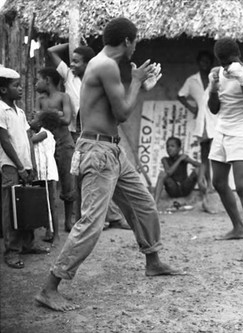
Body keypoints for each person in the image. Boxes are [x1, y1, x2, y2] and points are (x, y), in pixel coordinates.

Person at [35, 17, 184, 312]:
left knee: (143, 205)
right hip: (98, 152)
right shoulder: (105, 65)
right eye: (136, 41)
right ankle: (49, 288)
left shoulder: (107, 67)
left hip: (112, 151)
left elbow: (115, 113)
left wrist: (138, 84)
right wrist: (138, 83)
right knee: (91, 224)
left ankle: (152, 261)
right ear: (128, 41)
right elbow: (125, 113)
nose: (136, 46)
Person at [48, 41, 127, 230]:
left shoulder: (96, 78)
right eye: (71, 61)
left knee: (102, 177)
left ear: (88, 63)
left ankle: (110, 217)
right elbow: (51, 51)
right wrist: (73, 41)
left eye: (76, 61)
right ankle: (86, 219)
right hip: (77, 134)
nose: (72, 64)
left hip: (96, 134)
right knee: (81, 178)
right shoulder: (68, 76)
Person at [207, 37, 243, 261]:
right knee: (219, 183)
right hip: (221, 131)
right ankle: (238, 227)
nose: (225, 66)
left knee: (242, 186)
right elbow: (214, 110)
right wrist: (213, 88)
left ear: (238, 56)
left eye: (228, 61)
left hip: (241, 132)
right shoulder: (216, 72)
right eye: (222, 62)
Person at [0, 66, 49, 269]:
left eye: (20, 85)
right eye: (16, 86)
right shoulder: (1, 110)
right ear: (3, 90)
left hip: (24, 165)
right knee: (10, 208)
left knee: (27, 205)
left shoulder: (19, 112)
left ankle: (27, 243)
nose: (21, 89)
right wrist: (19, 166)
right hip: (10, 166)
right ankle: (12, 250)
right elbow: (4, 141)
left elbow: (27, 140)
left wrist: (31, 165)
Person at [35, 67, 78, 232]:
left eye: (39, 79)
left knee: (68, 182)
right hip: (47, 145)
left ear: (47, 80)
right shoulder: (41, 99)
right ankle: (49, 226)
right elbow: (37, 122)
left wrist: (46, 114)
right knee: (47, 183)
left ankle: (69, 221)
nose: (36, 83)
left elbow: (67, 119)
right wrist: (55, 113)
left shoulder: (63, 96)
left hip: (64, 143)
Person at [177, 51, 216, 193]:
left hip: (216, 120)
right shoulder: (192, 80)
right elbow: (180, 95)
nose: (204, 64)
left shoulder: (215, 79)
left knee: (217, 153)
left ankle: (216, 183)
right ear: (198, 63)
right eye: (202, 61)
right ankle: (208, 183)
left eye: (207, 62)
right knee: (205, 154)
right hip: (202, 122)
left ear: (211, 63)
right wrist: (192, 107)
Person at [30, 112, 60, 245]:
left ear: (41, 123)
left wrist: (25, 128)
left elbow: (30, 141)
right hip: (41, 174)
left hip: (48, 173)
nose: (30, 120)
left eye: (33, 118)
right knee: (45, 204)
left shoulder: (45, 133)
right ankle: (49, 231)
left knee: (51, 204)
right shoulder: (40, 133)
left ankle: (57, 235)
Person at [154, 136, 205, 206]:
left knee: (198, 170)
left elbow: (201, 165)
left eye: (172, 146)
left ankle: (205, 199)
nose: (169, 148)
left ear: (179, 149)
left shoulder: (184, 158)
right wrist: (179, 160)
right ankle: (154, 204)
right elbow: (169, 172)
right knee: (162, 174)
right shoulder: (165, 159)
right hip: (173, 190)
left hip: (185, 188)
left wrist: (200, 182)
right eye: (167, 146)